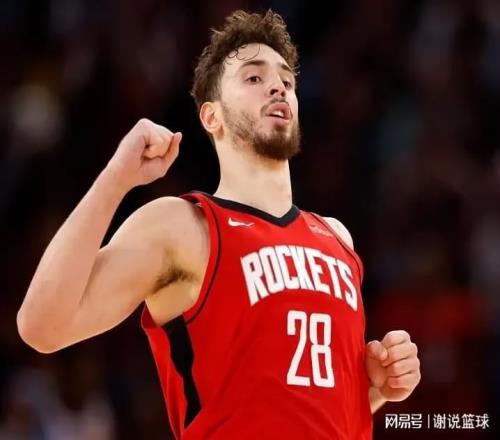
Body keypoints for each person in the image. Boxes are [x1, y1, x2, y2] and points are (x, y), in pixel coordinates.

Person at [17, 9, 421, 440]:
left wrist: (374, 389)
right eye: (254, 77)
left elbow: (305, 407)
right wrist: (116, 178)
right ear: (212, 117)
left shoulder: (337, 238)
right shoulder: (183, 226)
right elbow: (42, 327)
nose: (277, 87)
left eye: (286, 81)